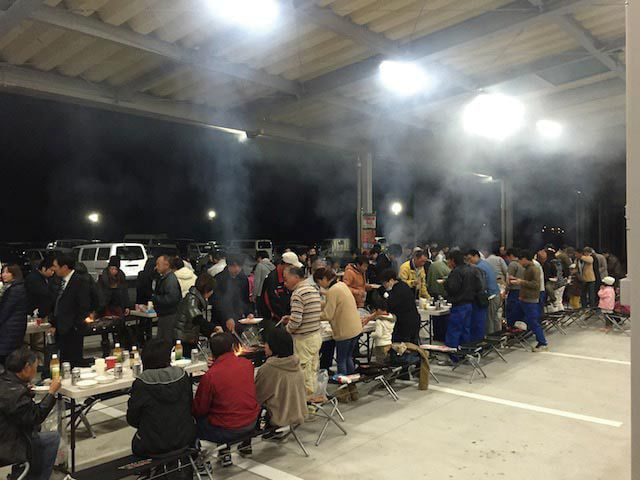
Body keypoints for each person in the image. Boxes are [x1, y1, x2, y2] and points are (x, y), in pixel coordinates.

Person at [193, 333, 260, 463]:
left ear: (211, 352)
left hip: (226, 429)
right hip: (251, 421)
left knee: (193, 422)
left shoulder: (210, 376)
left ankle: (199, 461)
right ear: (233, 347)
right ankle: (240, 447)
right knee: (229, 404)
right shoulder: (247, 365)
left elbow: (200, 409)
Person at [126, 339, 196, 456]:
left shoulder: (142, 383)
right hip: (185, 438)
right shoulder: (182, 376)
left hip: (152, 444)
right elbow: (190, 406)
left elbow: (132, 418)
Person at [0, 347, 61, 480]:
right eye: (35, 367)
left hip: (5, 433)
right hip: (7, 444)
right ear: (27, 367)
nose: (35, 371)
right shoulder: (16, 393)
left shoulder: (6, 381)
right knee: (51, 438)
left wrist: (26, 389)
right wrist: (51, 393)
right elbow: (35, 417)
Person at [282, 266, 323, 400]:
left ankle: (306, 406)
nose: (285, 283)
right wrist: (292, 317)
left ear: (295, 277)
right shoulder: (313, 289)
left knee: (304, 375)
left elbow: (296, 322)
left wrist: (285, 331)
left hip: (304, 340)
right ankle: (313, 404)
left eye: (286, 279)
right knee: (313, 371)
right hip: (315, 336)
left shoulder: (298, 293)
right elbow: (307, 313)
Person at [254, 328, 307, 429]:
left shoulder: (269, 368)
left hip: (278, 416)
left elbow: (257, 396)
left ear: (274, 346)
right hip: (299, 412)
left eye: (266, 343)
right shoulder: (295, 363)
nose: (264, 346)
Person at [314, 268, 362, 376]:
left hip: (344, 331)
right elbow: (332, 303)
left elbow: (328, 315)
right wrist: (316, 305)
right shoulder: (341, 285)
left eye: (319, 282)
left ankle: (343, 383)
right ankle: (351, 382)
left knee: (341, 360)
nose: (320, 285)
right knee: (348, 357)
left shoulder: (333, 291)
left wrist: (312, 316)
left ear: (324, 279)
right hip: (355, 329)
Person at [50, 254, 91, 367]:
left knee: (73, 361)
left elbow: (84, 305)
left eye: (55, 266)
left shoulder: (80, 281)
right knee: (64, 361)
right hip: (62, 327)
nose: (53, 269)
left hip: (73, 328)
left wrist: (77, 324)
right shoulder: (60, 281)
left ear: (64, 267)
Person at [444, 251, 481, 350]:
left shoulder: (456, 272)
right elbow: (479, 286)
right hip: (469, 304)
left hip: (458, 305)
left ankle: (452, 354)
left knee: (454, 331)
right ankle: (465, 352)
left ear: (452, 260)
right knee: (465, 330)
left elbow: (453, 288)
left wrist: (446, 283)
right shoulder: (472, 269)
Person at [513, 250, 548, 351]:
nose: (519, 263)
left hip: (531, 299)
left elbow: (536, 284)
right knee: (529, 320)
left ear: (525, 259)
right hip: (525, 298)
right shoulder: (527, 269)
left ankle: (542, 342)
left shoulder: (534, 269)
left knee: (533, 321)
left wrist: (521, 282)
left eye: (520, 260)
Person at [174, 273, 217, 356]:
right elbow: (196, 318)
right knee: (183, 360)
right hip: (183, 339)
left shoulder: (196, 298)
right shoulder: (192, 299)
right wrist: (213, 328)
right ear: (206, 290)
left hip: (188, 337)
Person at [379, 269, 420, 345]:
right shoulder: (403, 285)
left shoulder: (397, 291)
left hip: (404, 325)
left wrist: (385, 295)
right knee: (412, 346)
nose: (384, 286)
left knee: (401, 347)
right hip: (413, 320)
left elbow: (390, 306)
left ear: (391, 280)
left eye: (385, 283)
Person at [260, 252, 301, 327]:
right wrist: (283, 319)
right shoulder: (272, 279)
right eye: (292, 267)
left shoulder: (289, 276)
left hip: (288, 319)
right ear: (285, 265)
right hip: (275, 321)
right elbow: (270, 303)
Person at [213, 255, 251, 333]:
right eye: (234, 266)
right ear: (228, 265)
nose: (237, 269)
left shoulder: (243, 279)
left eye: (239, 266)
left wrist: (249, 313)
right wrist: (228, 317)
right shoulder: (219, 278)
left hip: (238, 318)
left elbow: (245, 299)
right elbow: (217, 302)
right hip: (220, 319)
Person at [467, 249, 501, 337]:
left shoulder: (479, 267)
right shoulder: (485, 263)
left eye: (470, 258)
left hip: (490, 296)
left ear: (476, 256)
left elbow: (480, 285)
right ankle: (499, 337)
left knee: (489, 321)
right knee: (494, 318)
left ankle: (490, 340)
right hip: (496, 294)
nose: (469, 261)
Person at [0, 265, 27, 366]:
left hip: (11, 328)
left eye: (7, 272)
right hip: (11, 327)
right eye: (3, 272)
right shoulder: (11, 287)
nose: (4, 275)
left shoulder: (15, 289)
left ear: (14, 274)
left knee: (8, 358)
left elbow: (5, 310)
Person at [153, 255, 182, 342]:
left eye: (158, 264)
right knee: (162, 341)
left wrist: (155, 298)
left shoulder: (170, 280)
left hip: (169, 315)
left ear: (167, 264)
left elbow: (172, 299)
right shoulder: (164, 278)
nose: (156, 267)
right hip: (165, 315)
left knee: (166, 341)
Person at [505, 248, 525, 329]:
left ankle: (511, 328)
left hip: (514, 291)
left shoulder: (512, 264)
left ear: (510, 255)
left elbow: (509, 280)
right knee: (520, 311)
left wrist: (505, 291)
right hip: (523, 290)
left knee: (511, 311)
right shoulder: (522, 263)